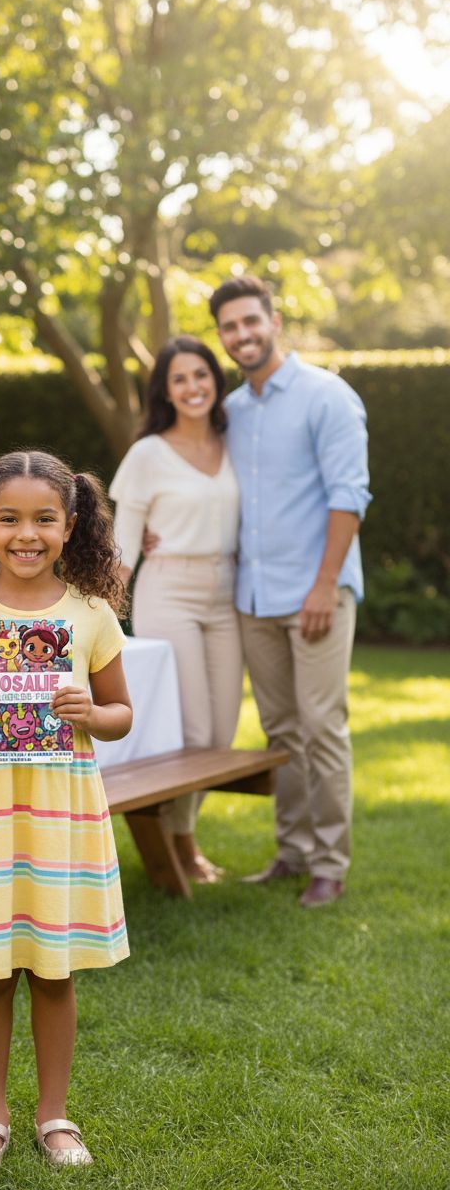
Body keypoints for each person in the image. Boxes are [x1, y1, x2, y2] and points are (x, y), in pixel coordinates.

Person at [0, 450, 133, 1171]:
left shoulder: (93, 614)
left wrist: (92, 710)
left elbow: (123, 714)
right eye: (9, 518)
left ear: (72, 527)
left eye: (45, 519)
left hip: (59, 811)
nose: (26, 534)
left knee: (55, 969)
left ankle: (55, 1115)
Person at [209, 274, 371, 908]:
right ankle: (293, 851)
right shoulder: (230, 411)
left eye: (251, 321)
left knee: (322, 725)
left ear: (274, 322)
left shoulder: (327, 397)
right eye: (229, 326)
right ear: (221, 336)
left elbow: (348, 495)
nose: (242, 334)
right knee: (281, 731)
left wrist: (325, 585)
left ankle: (330, 863)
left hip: (316, 594)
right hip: (253, 596)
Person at [109, 336, 243, 883]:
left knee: (222, 733)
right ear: (165, 392)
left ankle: (178, 832)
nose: (193, 387)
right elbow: (123, 543)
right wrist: (98, 612)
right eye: (179, 379)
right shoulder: (148, 453)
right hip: (169, 590)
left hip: (230, 589)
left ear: (215, 379)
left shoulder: (238, 442)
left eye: (201, 375)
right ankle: (181, 846)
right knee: (192, 726)